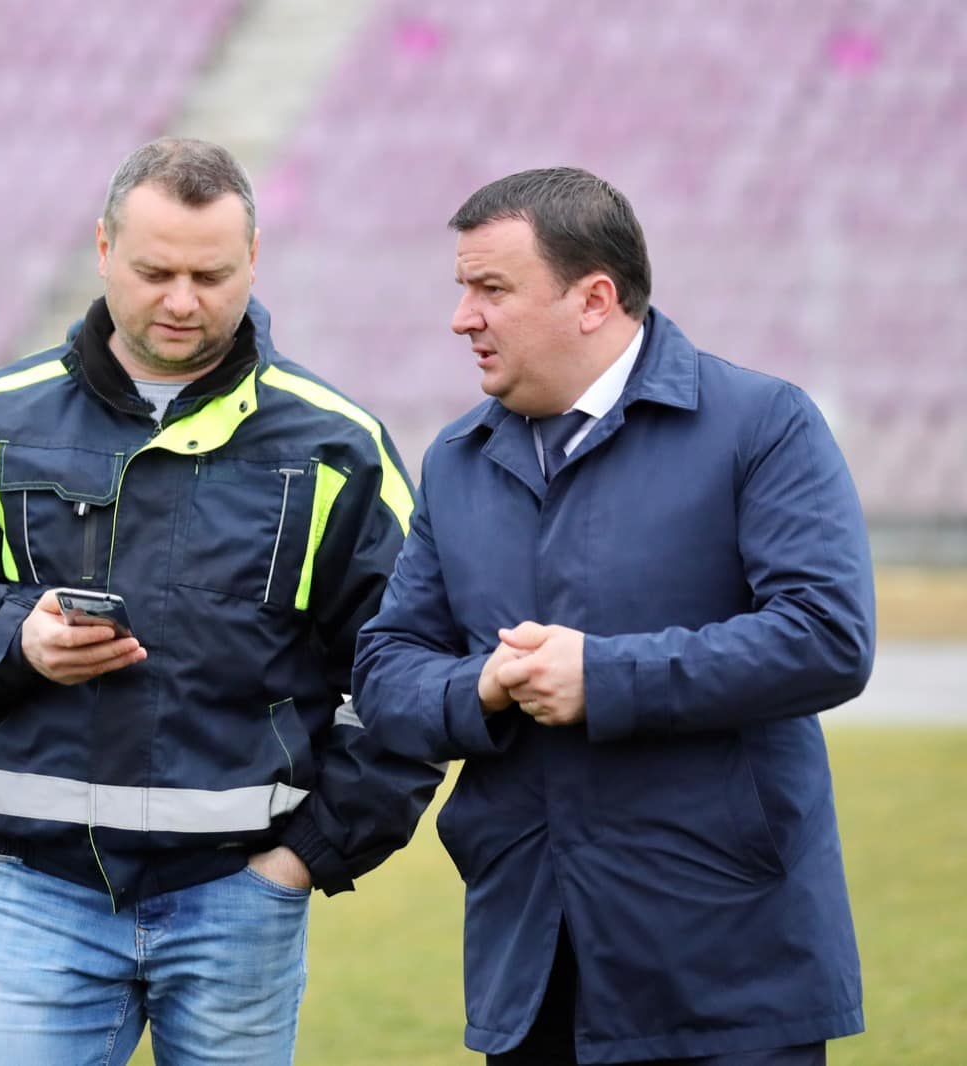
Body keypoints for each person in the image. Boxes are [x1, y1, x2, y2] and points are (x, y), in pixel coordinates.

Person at [0, 137, 439, 1064]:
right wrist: (16, 640)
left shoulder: (337, 447)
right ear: (103, 250)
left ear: (254, 263)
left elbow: (407, 667)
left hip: (244, 895)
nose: (181, 300)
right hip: (44, 891)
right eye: (155, 270)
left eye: (211, 274)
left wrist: (309, 857)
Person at [353, 167, 875, 1065]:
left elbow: (827, 637)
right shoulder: (456, 459)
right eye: (461, 289)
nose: (462, 318)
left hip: (730, 970)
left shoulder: (762, 424)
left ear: (594, 298)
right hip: (532, 965)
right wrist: (478, 685)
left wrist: (605, 678)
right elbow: (387, 668)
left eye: (492, 289)